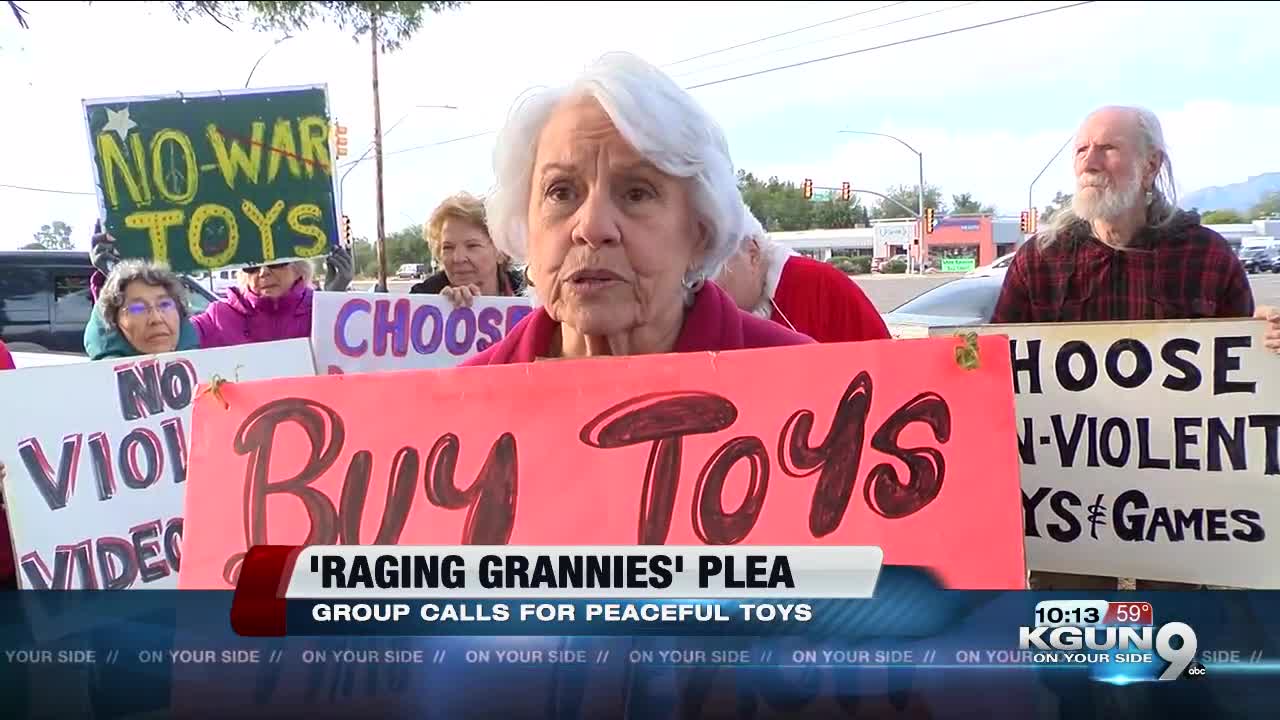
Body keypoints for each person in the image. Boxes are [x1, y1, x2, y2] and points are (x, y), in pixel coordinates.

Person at [992, 105, 1280, 591]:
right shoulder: (1040, 259)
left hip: (1181, 513)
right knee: (1068, 643)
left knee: (1177, 647)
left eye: (1107, 148)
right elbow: (996, 367)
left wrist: (1266, 341)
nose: (1089, 162)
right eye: (1082, 149)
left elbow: (1243, 384)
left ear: (1152, 166)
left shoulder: (1207, 256)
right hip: (1066, 513)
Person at [463, 52, 812, 367]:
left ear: (700, 232)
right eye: (561, 192)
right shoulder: (457, 410)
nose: (592, 227)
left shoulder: (805, 383)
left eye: (635, 193)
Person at [90, 224, 354, 348]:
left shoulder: (321, 312)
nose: (263, 272)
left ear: (298, 265)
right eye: (251, 265)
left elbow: (357, 363)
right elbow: (147, 345)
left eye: (276, 263)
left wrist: (335, 302)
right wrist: (116, 282)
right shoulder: (217, 319)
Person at [715, 209, 890, 343]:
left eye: (711, 268)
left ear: (752, 255)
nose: (701, 286)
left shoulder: (822, 287)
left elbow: (883, 366)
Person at [410, 192, 524, 307]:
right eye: (448, 247)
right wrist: (439, 309)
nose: (458, 258)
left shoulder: (531, 294)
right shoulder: (418, 299)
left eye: (472, 246)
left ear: (501, 252)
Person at [84, 259, 202, 360]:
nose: (156, 319)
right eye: (138, 308)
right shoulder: (99, 383)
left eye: (165, 304)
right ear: (114, 322)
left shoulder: (208, 376)